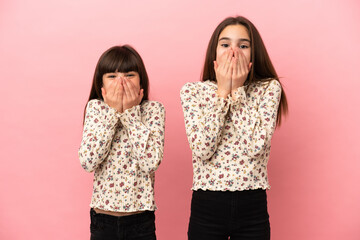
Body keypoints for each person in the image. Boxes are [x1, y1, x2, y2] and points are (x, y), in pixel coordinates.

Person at [180, 16, 288, 240]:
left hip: (252, 206)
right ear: (214, 52)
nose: (233, 52)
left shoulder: (268, 88)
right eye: (225, 44)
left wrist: (237, 91)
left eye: (243, 45)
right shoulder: (192, 91)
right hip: (206, 206)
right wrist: (222, 93)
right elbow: (202, 149)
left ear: (253, 53)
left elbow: (256, 146)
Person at [79, 45, 165, 240]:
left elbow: (151, 162)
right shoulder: (96, 109)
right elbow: (88, 162)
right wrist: (112, 113)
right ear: (100, 85)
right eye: (112, 76)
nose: (121, 82)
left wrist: (130, 114)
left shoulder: (153, 110)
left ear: (141, 80)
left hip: (140, 221)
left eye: (129, 75)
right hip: (103, 220)